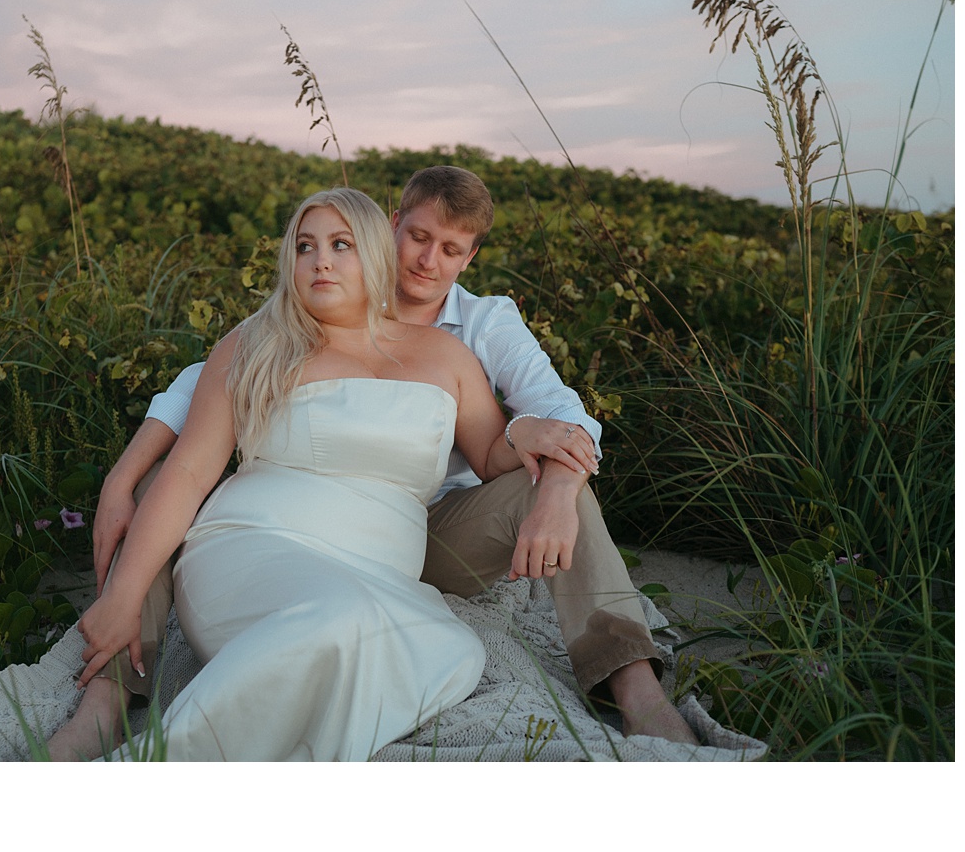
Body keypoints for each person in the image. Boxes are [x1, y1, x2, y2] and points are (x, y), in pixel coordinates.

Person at [92, 166, 698, 746]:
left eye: (452, 250)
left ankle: (636, 690)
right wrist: (122, 477)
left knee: (560, 483)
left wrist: (558, 488)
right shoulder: (327, 287)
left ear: (470, 258)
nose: (429, 261)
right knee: (156, 488)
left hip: (434, 529)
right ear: (391, 225)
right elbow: (204, 381)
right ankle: (113, 696)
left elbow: (555, 419)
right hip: (290, 531)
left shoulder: (481, 326)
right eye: (418, 237)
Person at [46, 187, 526, 760]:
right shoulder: (255, 344)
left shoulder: (446, 357)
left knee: (451, 653)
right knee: (338, 620)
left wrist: (538, 430)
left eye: (340, 244)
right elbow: (187, 475)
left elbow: (495, 456)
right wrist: (124, 595)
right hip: (252, 551)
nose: (320, 259)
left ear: (374, 252)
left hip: (380, 579)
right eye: (305, 246)